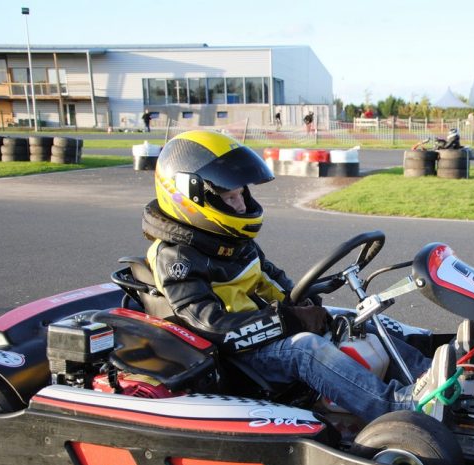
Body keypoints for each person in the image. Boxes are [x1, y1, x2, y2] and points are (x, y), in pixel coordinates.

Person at [142, 130, 456, 422]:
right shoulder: (176, 257)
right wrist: (291, 321)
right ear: (191, 197)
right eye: (230, 199)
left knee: (353, 318)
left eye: (241, 195)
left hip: (262, 328)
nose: (241, 204)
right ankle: (398, 407)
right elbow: (210, 326)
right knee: (306, 349)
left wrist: (304, 302)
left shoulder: (230, 240)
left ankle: (430, 376)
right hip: (232, 354)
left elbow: (273, 280)